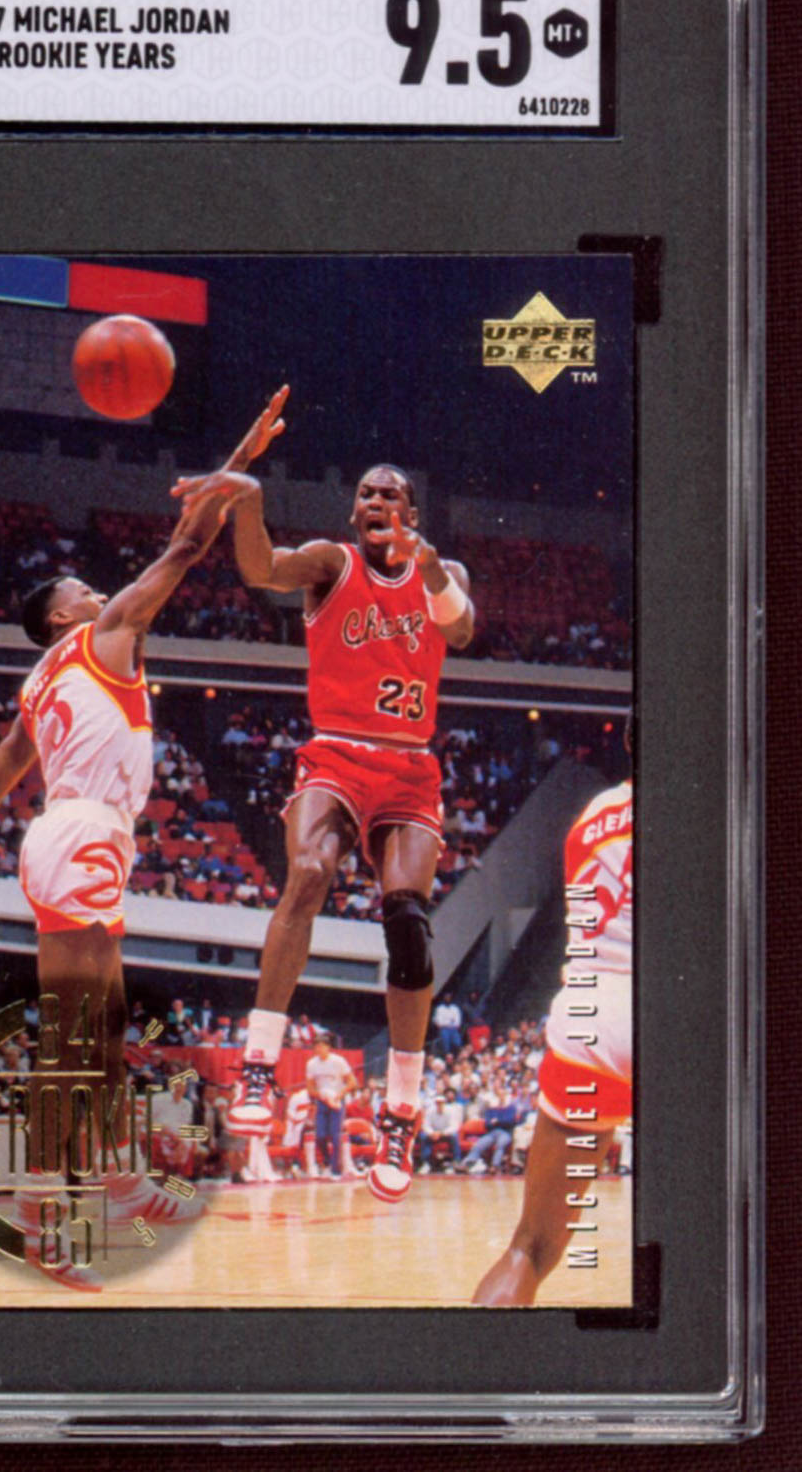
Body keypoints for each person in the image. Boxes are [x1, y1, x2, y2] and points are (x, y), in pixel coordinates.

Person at [0, 459, 260, 1285]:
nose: (101, 592)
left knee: (103, 1032)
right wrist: (234, 470)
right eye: (85, 590)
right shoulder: (102, 638)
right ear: (64, 615)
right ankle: (38, 1216)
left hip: (81, 841)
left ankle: (119, 1181)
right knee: (74, 1041)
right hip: (81, 836)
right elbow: (184, 548)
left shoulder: (36, 688)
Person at [173, 390, 475, 1202]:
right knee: (307, 873)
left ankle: (401, 1111)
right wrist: (248, 500)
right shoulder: (329, 564)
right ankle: (259, 1063)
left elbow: (460, 628)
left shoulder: (440, 574)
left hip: (408, 769)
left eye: (389, 494)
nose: (375, 501)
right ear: (354, 513)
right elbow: (258, 570)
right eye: (365, 494)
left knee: (406, 923)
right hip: (335, 756)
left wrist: (427, 561)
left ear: (410, 511)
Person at [472, 734, 632, 1304]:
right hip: (678, 1004)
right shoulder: (711, 802)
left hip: (591, 1017)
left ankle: (466, 1362)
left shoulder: (592, 815)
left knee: (529, 1248)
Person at [305, 1035, 356, 1177]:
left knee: (335, 1135)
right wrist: (320, 1095)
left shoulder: (338, 1061)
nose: (318, 1049)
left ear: (328, 1047)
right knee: (320, 1135)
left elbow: (352, 1082)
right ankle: (326, 1163)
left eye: (321, 1046)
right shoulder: (311, 1064)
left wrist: (339, 1095)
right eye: (316, 1047)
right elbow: (310, 1088)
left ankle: (335, 1169)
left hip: (337, 1100)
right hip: (322, 1101)